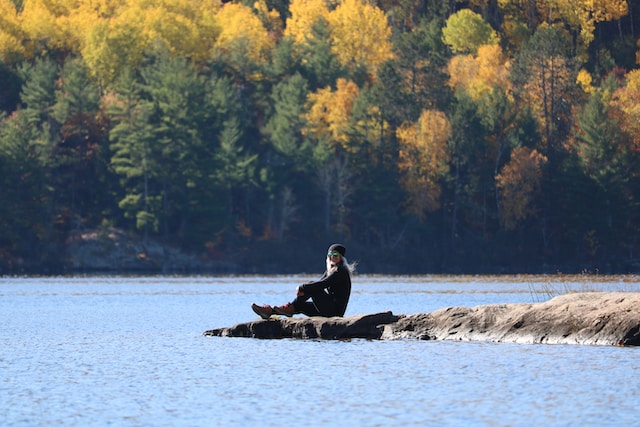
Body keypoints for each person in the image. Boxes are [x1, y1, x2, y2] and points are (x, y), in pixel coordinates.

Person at [251, 243, 355, 319]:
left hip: (335, 312)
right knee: (301, 305)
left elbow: (322, 284)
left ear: (341, 258)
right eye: (330, 255)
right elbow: (318, 284)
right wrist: (306, 289)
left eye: (335, 255)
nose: (332, 257)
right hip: (328, 309)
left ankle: (290, 307)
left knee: (311, 286)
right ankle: (271, 312)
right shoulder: (330, 270)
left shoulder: (341, 270)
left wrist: (302, 287)